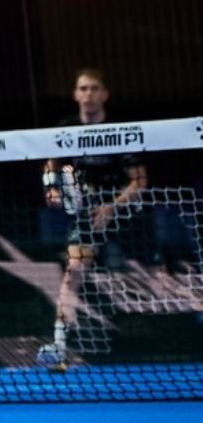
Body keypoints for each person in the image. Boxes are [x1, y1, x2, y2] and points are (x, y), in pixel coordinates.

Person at [36, 66, 148, 370]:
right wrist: (51, 189)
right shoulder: (66, 130)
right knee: (73, 270)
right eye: (83, 89)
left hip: (124, 212)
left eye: (94, 88)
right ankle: (58, 346)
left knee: (159, 275)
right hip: (86, 214)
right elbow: (51, 164)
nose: (89, 94)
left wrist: (112, 207)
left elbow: (139, 181)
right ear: (76, 95)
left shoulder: (120, 130)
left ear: (105, 94)